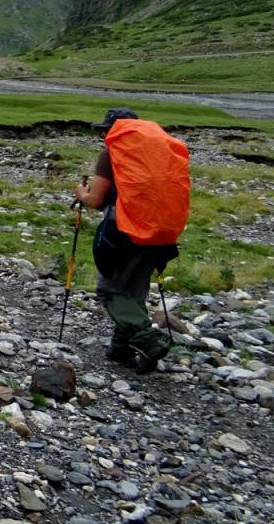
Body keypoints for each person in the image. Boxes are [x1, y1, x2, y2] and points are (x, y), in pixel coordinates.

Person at [75, 108, 176, 374]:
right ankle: (121, 350)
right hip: (161, 231)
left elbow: (95, 200)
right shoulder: (160, 152)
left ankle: (149, 340)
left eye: (106, 131)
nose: (105, 136)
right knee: (133, 290)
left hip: (125, 230)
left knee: (110, 291)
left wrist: (81, 194)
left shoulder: (113, 153)